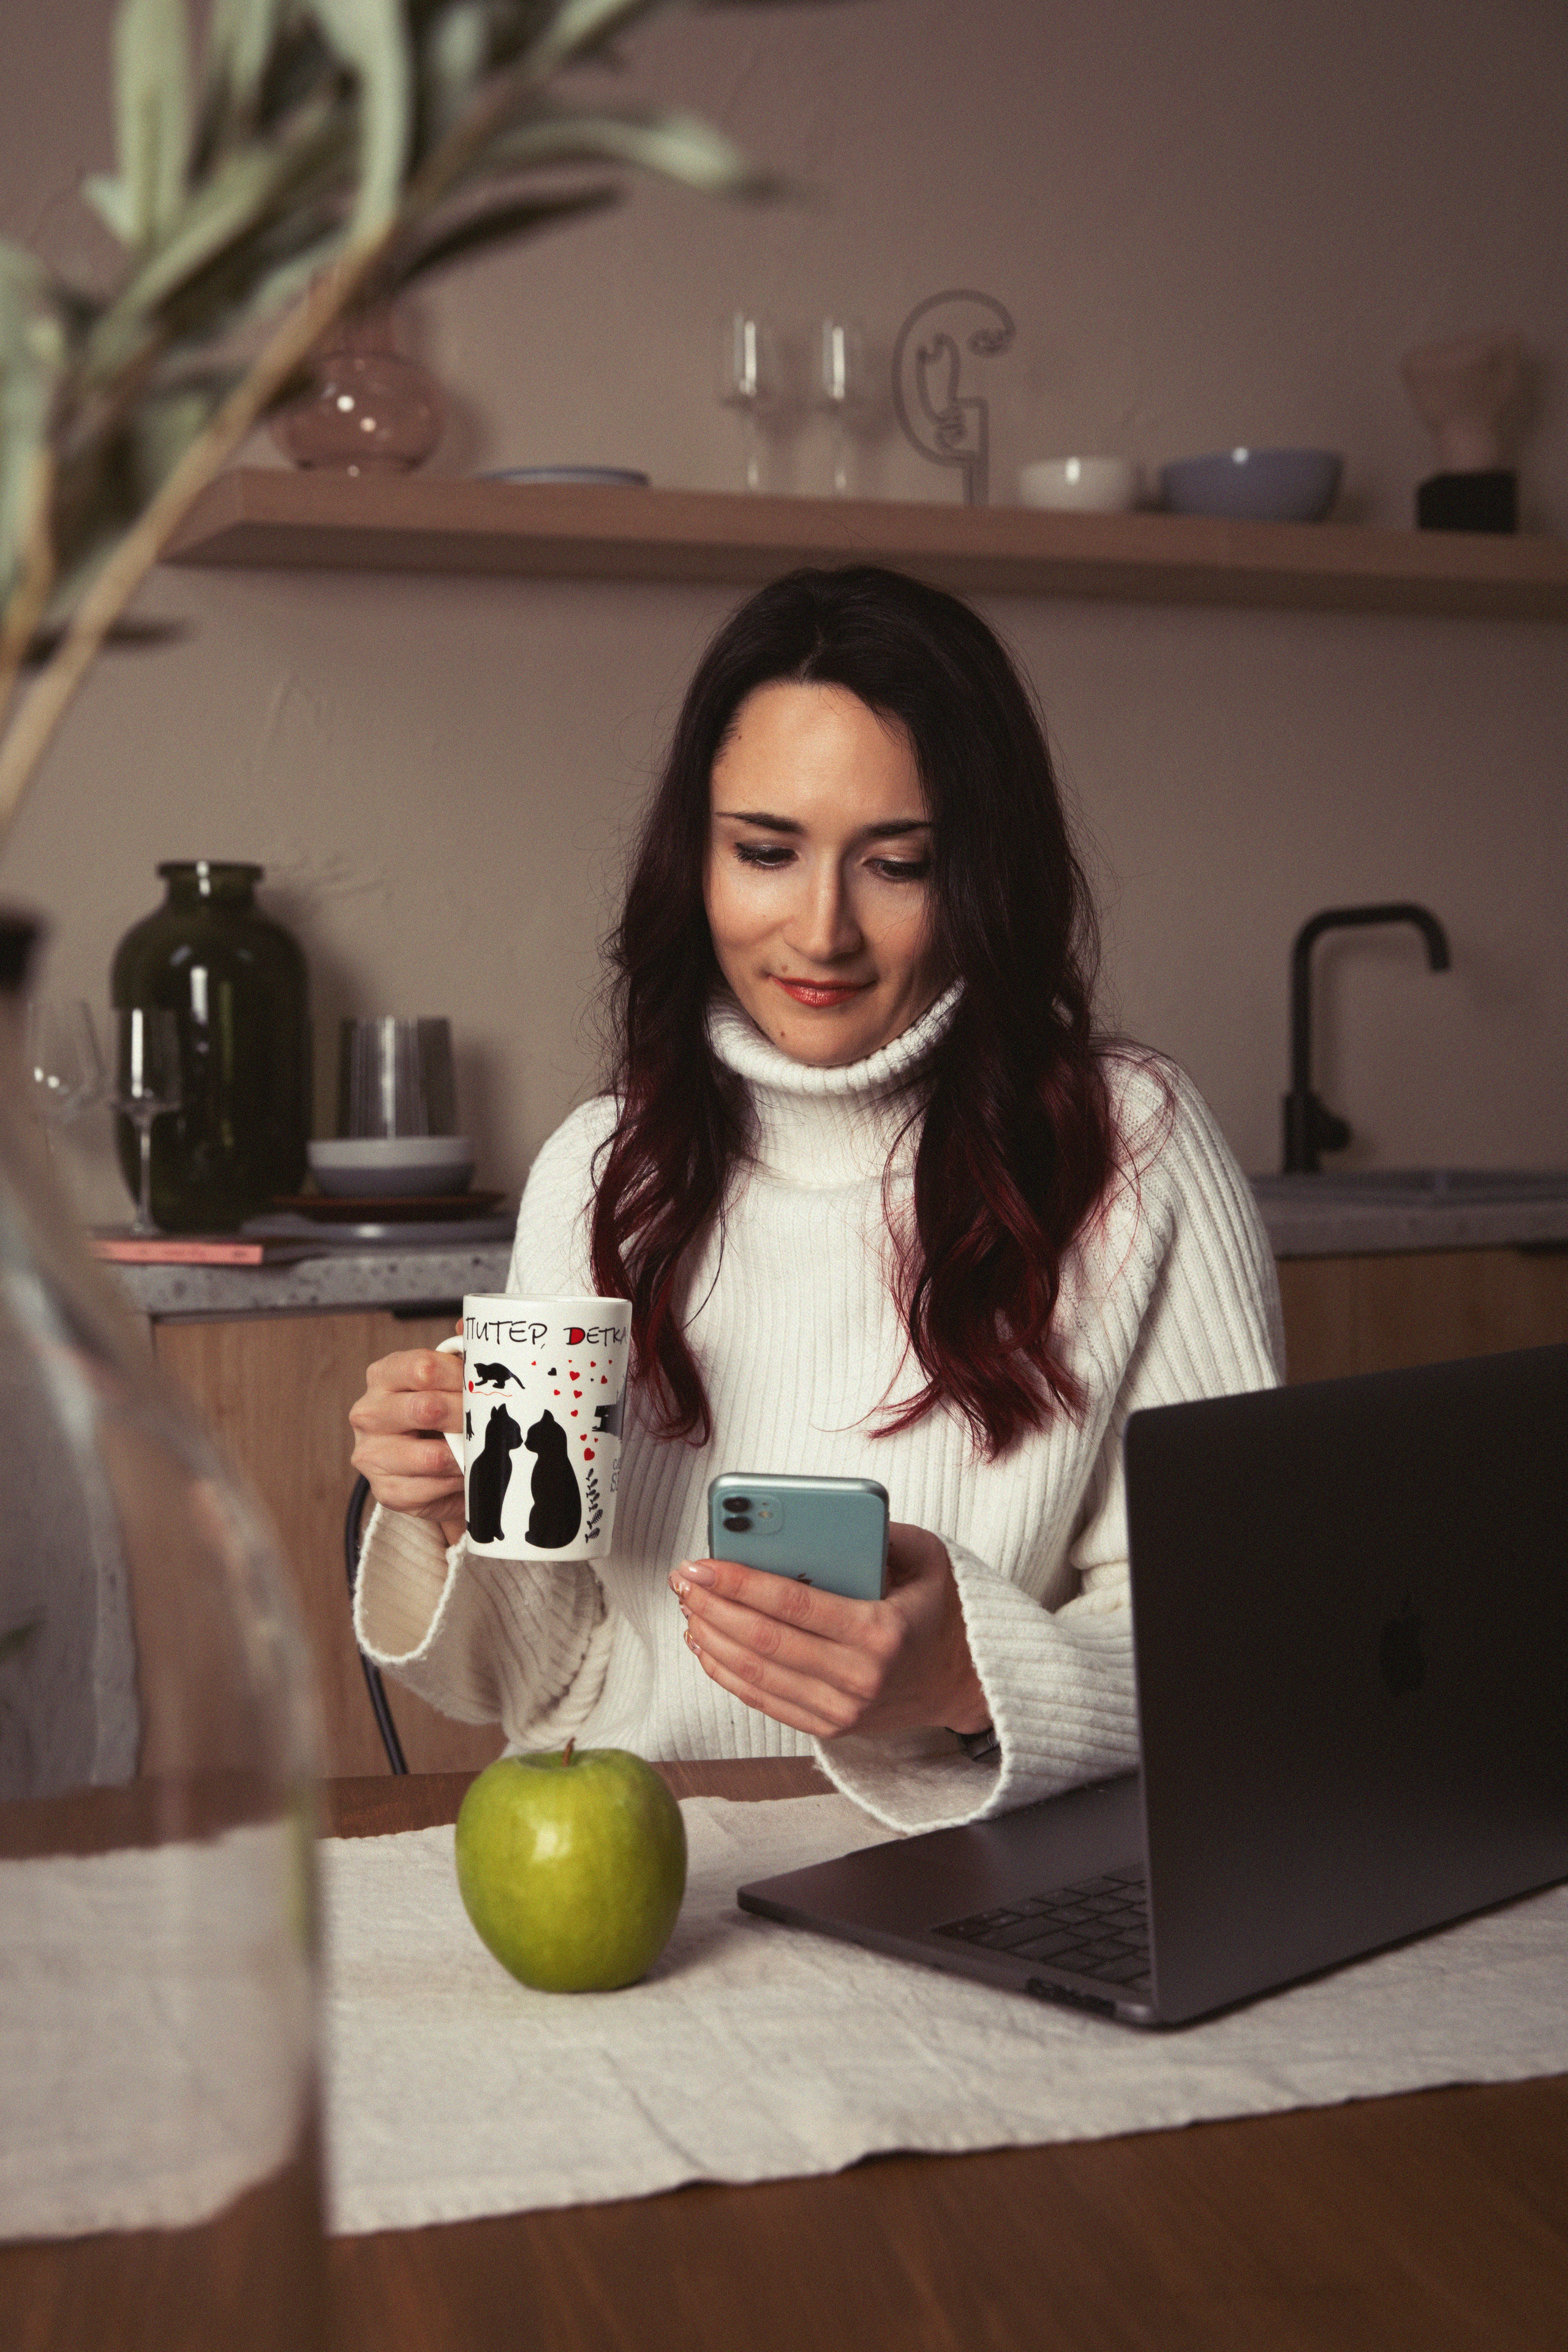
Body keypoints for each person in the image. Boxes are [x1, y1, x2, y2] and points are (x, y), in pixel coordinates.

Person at [349, 566, 1282, 1834]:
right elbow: (554, 1684)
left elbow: (1241, 1640)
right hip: (651, 1858)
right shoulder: (602, 1169)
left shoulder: (1130, 1148)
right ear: (696, 857)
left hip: (972, 1866)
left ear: (982, 875)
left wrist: (967, 1680)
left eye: (897, 864)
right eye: (765, 852)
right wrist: (449, 1513)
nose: (821, 931)